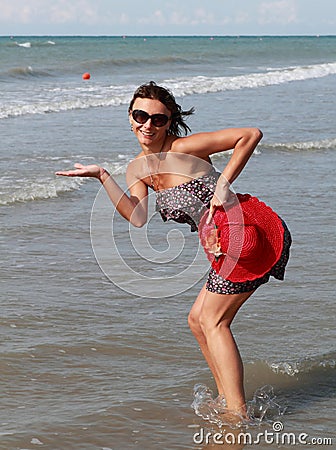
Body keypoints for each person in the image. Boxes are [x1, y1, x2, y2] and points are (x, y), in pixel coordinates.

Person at [56, 81, 291, 423]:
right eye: (140, 116)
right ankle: (226, 396)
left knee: (213, 321)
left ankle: (237, 414)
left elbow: (250, 135)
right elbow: (136, 217)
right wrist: (103, 176)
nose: (148, 125)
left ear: (169, 122)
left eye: (158, 119)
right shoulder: (138, 168)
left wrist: (221, 185)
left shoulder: (185, 147)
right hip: (219, 244)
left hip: (245, 231)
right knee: (197, 321)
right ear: (130, 117)